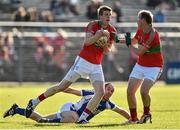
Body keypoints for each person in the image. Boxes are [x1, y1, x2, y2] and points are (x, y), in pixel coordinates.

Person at [25, 5, 117, 123]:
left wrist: (105, 42)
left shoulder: (112, 30)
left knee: (100, 92)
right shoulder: (93, 25)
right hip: (83, 61)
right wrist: (98, 35)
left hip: (96, 65)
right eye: (106, 15)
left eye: (110, 15)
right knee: (61, 87)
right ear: (100, 16)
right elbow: (87, 42)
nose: (108, 17)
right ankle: (34, 102)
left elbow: (107, 51)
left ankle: (82, 118)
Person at [3, 83, 130, 123]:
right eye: (108, 89)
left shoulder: (108, 104)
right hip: (70, 109)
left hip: (70, 115)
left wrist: (133, 119)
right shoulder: (92, 93)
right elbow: (72, 91)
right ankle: (48, 122)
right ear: (102, 87)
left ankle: (16, 109)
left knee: (39, 119)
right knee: (75, 118)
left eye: (112, 91)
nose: (110, 92)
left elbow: (121, 110)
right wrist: (59, 87)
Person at [119, 10, 164, 124]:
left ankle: (146, 114)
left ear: (144, 20)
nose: (137, 20)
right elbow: (134, 41)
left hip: (154, 67)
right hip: (141, 65)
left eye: (139, 18)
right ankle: (133, 119)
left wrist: (129, 44)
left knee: (144, 91)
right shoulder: (140, 30)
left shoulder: (153, 34)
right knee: (130, 91)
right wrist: (115, 39)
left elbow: (139, 52)